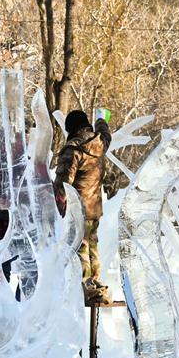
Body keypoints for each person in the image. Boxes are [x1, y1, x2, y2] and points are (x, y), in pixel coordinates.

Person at [53, 109, 113, 305]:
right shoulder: (99, 142)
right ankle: (96, 283)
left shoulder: (73, 149)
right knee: (92, 245)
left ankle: (86, 286)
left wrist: (57, 206)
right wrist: (101, 119)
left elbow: (63, 184)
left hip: (78, 209)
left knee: (80, 246)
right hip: (94, 207)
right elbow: (106, 133)